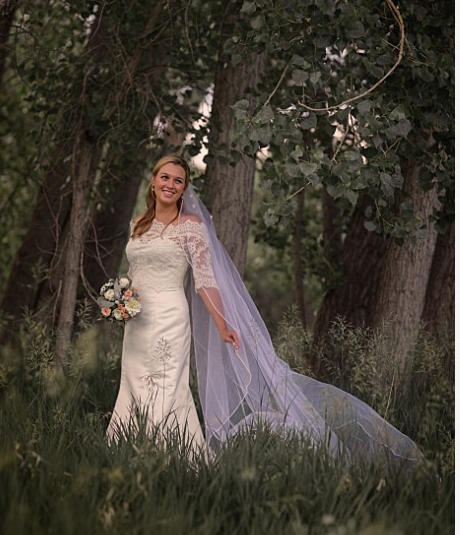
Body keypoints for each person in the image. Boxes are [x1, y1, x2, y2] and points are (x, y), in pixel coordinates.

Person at [106, 155, 423, 467]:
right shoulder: (138, 225)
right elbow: (134, 273)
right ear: (153, 180)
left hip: (170, 319)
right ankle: (122, 447)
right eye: (165, 177)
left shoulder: (190, 227)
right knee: (132, 380)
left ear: (184, 187)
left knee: (165, 383)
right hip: (137, 321)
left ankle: (163, 455)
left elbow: (204, 282)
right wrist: (120, 301)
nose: (171, 185)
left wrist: (222, 324)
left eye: (179, 180)